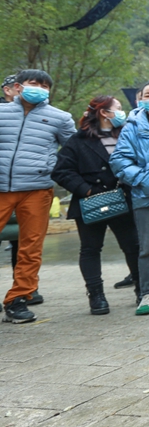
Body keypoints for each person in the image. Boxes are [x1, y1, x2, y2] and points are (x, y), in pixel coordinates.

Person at [53, 95, 140, 314]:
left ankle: (143, 289)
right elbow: (61, 171)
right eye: (118, 108)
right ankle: (96, 295)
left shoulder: (127, 135)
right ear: (104, 112)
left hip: (123, 200)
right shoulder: (79, 140)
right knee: (91, 249)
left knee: (133, 247)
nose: (121, 112)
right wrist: (88, 190)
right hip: (91, 202)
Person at [0, 69, 75, 323]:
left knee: (30, 248)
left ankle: (17, 300)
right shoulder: (1, 113)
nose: (39, 88)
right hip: (1, 187)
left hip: (37, 188)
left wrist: (55, 169)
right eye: (34, 83)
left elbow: (73, 150)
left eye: (44, 85)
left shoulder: (60, 118)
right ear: (19, 87)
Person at [110, 81, 149, 316]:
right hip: (145, 195)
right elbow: (119, 160)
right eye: (148, 94)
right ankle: (148, 293)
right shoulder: (132, 126)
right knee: (148, 247)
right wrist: (142, 178)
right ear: (140, 100)